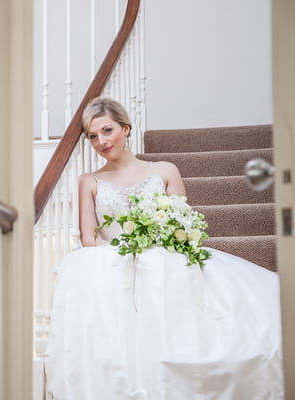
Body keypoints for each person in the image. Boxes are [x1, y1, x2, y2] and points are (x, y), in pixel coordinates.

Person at [45, 97, 283, 399]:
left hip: (163, 252)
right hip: (115, 259)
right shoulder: (89, 181)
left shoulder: (165, 170)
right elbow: (89, 238)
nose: (101, 141)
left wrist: (157, 239)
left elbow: (183, 223)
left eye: (107, 130)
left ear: (126, 128)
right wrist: (127, 247)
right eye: (93, 136)